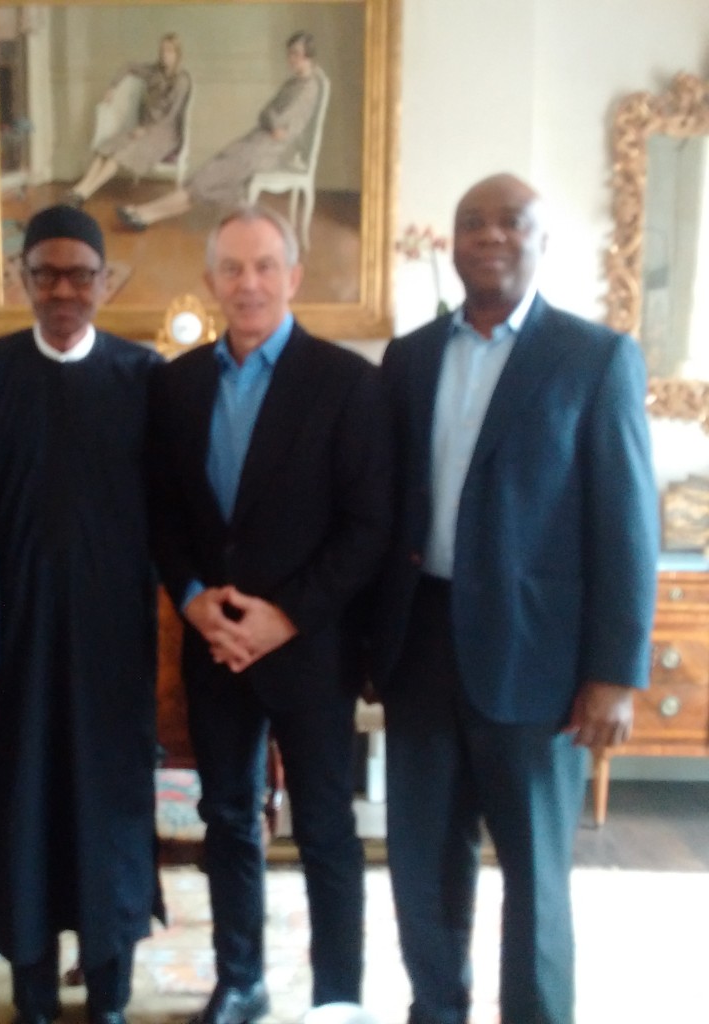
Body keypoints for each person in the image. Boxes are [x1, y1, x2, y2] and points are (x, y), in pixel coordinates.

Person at [371, 173, 659, 1024]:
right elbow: (388, 509)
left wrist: (615, 674)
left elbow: (627, 525)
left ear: (543, 241)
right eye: (472, 223)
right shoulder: (409, 358)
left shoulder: (595, 357)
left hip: (540, 664)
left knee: (535, 876)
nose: (490, 236)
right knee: (423, 865)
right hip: (421, 647)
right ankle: (436, 1009)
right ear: (453, 241)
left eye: (511, 222)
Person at [148, 205, 392, 1023]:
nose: (248, 283)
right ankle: (240, 980)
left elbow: (368, 527)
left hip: (310, 647)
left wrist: (284, 618)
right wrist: (193, 601)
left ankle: (336, 999)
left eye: (264, 266)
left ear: (293, 276)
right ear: (211, 280)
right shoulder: (177, 384)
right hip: (214, 645)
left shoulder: (347, 383)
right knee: (227, 818)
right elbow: (163, 513)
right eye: (232, 268)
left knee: (324, 826)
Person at [0, 205, 163, 1024]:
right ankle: (32, 992)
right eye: (46, 274)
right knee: (21, 810)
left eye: (81, 275)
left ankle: (110, 991)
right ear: (23, 280)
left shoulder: (144, 376)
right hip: (12, 643)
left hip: (113, 643)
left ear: (106, 282)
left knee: (110, 812)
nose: (64, 290)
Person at [116, 32, 323, 231]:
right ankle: (146, 214)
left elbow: (279, 125)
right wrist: (271, 120)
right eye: (290, 53)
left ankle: (144, 213)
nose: (291, 58)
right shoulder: (294, 83)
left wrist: (271, 121)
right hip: (257, 142)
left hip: (267, 151)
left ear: (309, 55)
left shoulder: (308, 88)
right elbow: (265, 114)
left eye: (296, 53)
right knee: (204, 178)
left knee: (205, 180)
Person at [66, 32, 191, 207]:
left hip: (164, 134)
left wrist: (146, 130)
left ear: (178, 54)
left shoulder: (181, 80)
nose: (165, 55)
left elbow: (170, 117)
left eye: (169, 51)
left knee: (120, 155)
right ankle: (80, 188)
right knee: (108, 147)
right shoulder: (153, 71)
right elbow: (128, 66)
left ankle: (85, 193)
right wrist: (112, 87)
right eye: (162, 50)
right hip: (144, 127)